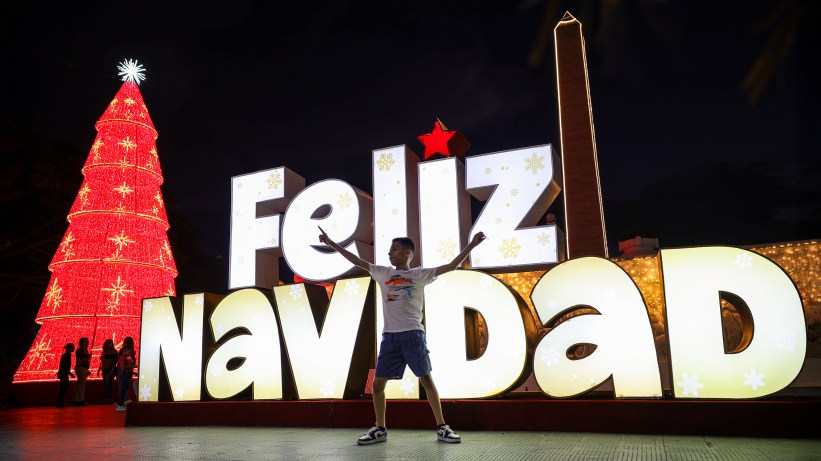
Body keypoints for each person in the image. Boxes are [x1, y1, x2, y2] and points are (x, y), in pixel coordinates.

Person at [318, 226, 486, 445]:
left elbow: (451, 266)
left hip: (413, 336)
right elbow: (356, 260)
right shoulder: (382, 273)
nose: (390, 253)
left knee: (426, 380)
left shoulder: (419, 275)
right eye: (389, 250)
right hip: (390, 338)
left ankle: (442, 427)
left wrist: (471, 245)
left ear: (408, 253)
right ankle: (380, 428)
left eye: (395, 249)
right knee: (378, 386)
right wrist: (331, 243)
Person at [115, 336, 136, 412]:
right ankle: (120, 404)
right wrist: (134, 366)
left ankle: (122, 403)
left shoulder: (126, 357)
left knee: (124, 389)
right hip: (123, 375)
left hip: (126, 374)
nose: (131, 353)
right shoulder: (123, 357)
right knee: (122, 389)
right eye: (130, 351)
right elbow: (123, 367)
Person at [71, 337, 91, 406]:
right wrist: (86, 358)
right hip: (81, 368)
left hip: (83, 368)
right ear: (81, 342)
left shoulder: (84, 350)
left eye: (87, 341)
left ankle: (77, 399)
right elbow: (80, 360)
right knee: (81, 384)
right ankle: (80, 400)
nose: (87, 343)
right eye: (85, 341)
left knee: (80, 384)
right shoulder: (80, 350)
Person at [55, 343, 75, 407]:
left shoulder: (67, 355)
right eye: (72, 347)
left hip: (64, 373)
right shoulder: (66, 356)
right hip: (64, 373)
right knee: (64, 387)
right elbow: (64, 366)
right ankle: (59, 402)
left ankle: (60, 402)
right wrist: (70, 373)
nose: (73, 348)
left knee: (64, 387)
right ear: (68, 348)